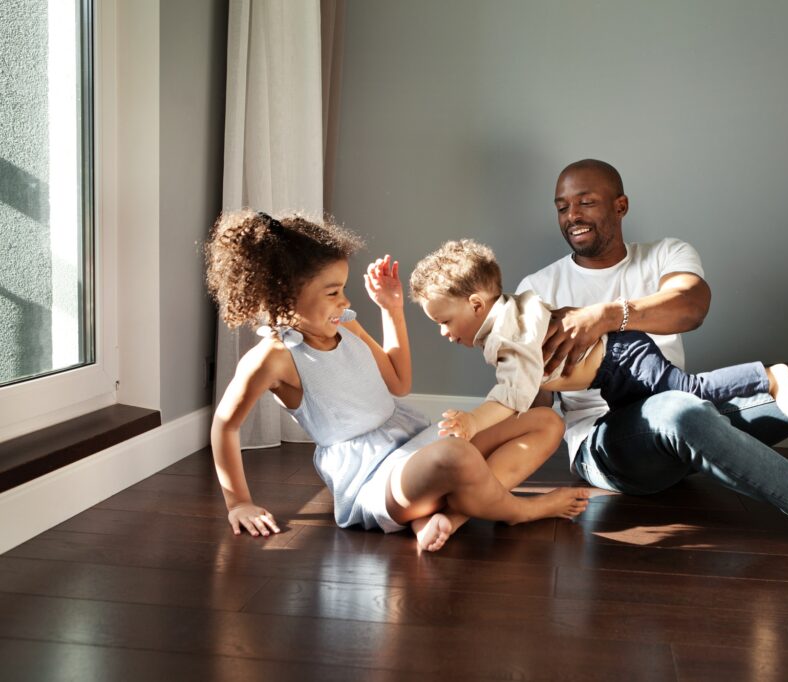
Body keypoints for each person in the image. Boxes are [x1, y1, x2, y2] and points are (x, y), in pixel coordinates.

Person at [516, 159, 788, 548]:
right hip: (609, 444)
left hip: (696, 413)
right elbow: (536, 409)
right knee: (677, 408)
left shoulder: (666, 254)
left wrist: (607, 316)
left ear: (620, 206)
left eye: (585, 202)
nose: (572, 216)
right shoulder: (537, 289)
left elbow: (691, 307)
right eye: (562, 207)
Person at [205, 209, 588, 553]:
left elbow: (399, 382)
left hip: (411, 441)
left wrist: (391, 309)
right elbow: (226, 425)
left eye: (344, 289)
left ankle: (449, 517)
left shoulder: (345, 321)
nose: (343, 301)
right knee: (458, 454)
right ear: (285, 296)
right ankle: (520, 511)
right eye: (333, 292)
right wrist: (239, 502)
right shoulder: (273, 358)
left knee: (546, 421)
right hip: (373, 477)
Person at [408, 238, 788, 441]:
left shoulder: (510, 334)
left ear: (477, 305)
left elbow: (512, 394)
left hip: (623, 357)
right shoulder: (507, 316)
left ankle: (769, 376)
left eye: (444, 321)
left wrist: (473, 422)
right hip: (608, 377)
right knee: (634, 423)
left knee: (688, 388)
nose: (444, 333)